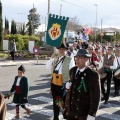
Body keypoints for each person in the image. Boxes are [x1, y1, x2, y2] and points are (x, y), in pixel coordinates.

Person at [65, 49, 100, 120]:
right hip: (71, 111)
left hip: (82, 113)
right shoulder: (73, 70)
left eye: (80, 58)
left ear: (86, 59)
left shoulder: (92, 74)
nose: (77, 60)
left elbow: (95, 96)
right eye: (76, 58)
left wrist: (92, 113)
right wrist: (68, 86)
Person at [46, 42, 75, 120]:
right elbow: (47, 66)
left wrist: (70, 84)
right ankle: (56, 118)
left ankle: (66, 115)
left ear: (66, 50)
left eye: (63, 49)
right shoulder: (55, 58)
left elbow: (72, 72)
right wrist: (51, 58)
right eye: (60, 49)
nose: (61, 51)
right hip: (55, 84)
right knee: (56, 102)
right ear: (58, 50)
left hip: (64, 84)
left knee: (65, 103)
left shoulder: (70, 59)